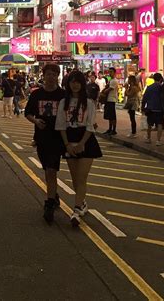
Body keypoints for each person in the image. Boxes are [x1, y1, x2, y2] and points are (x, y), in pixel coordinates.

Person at [56, 70, 102, 227]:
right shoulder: (64, 102)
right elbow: (61, 125)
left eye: (78, 82)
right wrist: (67, 144)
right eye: (72, 82)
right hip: (69, 138)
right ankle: (82, 203)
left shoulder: (89, 103)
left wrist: (82, 143)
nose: (75, 85)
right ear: (68, 84)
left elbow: (90, 125)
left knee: (82, 177)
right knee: (75, 178)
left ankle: (76, 210)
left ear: (82, 84)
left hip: (86, 140)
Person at [25, 64, 65, 224]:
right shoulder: (36, 95)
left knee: (51, 169)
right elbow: (28, 113)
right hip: (41, 137)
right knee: (47, 168)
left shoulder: (63, 95)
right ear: (44, 75)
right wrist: (35, 120)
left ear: (57, 76)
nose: (51, 77)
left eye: (54, 74)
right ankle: (53, 194)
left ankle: (49, 204)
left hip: (58, 138)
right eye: (48, 74)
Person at [141, 73, 164, 145]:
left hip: (150, 108)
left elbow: (144, 98)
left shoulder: (149, 87)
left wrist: (143, 107)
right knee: (160, 124)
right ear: (160, 79)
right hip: (159, 108)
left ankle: (148, 138)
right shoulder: (161, 87)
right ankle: (158, 140)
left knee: (149, 124)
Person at [103, 67, 118, 135]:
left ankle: (113, 130)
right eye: (109, 72)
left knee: (112, 116)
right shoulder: (111, 80)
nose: (109, 73)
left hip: (112, 100)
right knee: (110, 116)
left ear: (114, 73)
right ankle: (110, 129)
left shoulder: (114, 81)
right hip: (108, 99)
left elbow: (108, 89)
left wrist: (104, 91)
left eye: (111, 72)